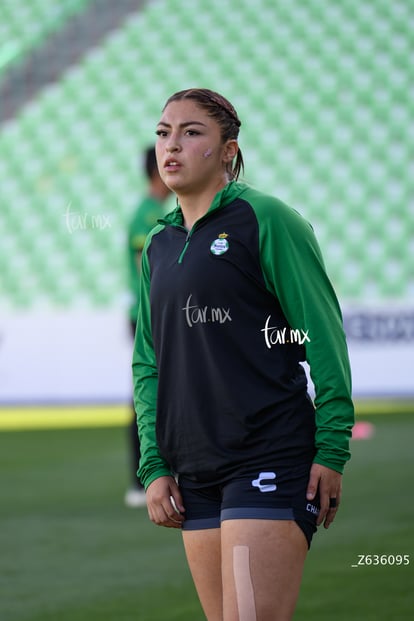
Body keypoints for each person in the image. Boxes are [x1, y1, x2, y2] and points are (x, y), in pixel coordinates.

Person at [132, 88, 354, 620]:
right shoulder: (159, 243)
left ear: (228, 150)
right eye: (164, 133)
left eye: (192, 133)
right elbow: (148, 362)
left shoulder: (268, 219)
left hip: (268, 453)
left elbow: (322, 337)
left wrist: (332, 445)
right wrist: (154, 463)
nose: (172, 146)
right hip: (195, 470)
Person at [125, 145, 171, 508]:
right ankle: (141, 480)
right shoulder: (148, 215)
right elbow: (148, 266)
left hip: (152, 313)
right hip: (149, 315)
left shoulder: (156, 212)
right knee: (147, 394)